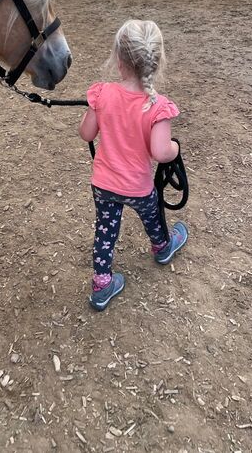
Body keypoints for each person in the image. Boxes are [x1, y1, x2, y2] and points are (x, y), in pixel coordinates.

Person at [79, 19, 188, 311]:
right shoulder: (158, 106)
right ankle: (163, 247)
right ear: (156, 61)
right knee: (153, 217)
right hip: (137, 186)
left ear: (118, 60)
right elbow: (160, 151)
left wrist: (96, 109)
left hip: (103, 184)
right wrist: (175, 148)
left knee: (105, 228)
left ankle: (102, 283)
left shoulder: (102, 94)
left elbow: (86, 134)